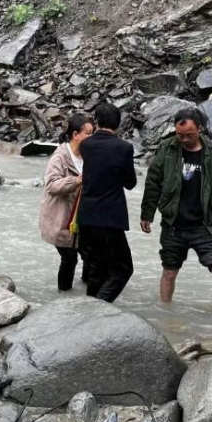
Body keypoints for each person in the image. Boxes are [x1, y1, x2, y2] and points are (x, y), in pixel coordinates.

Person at [140, 108, 212, 328]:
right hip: (173, 225)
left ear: (200, 129)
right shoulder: (167, 149)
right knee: (169, 272)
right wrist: (147, 214)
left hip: (204, 226)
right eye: (180, 135)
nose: (184, 139)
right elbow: (153, 181)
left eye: (189, 134)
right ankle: (165, 315)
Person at [78, 103, 136, 302]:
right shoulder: (125, 148)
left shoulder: (85, 145)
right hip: (110, 217)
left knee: (95, 268)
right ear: (118, 124)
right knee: (123, 268)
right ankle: (100, 305)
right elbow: (130, 183)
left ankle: (91, 309)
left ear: (96, 122)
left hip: (86, 216)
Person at [39, 113, 94, 291]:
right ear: (75, 134)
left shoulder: (89, 155)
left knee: (91, 256)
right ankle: (64, 298)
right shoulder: (60, 157)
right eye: (88, 133)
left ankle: (90, 296)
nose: (91, 137)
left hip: (83, 218)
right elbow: (52, 185)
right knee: (69, 258)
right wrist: (77, 180)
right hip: (61, 219)